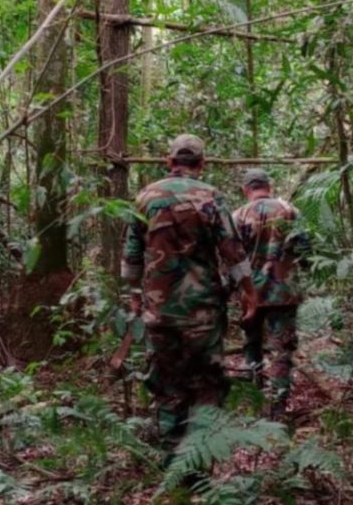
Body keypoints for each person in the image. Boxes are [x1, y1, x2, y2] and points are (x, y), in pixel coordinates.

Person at [121, 134, 258, 457]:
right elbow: (233, 250)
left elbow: (131, 254)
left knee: (168, 383)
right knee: (207, 383)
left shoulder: (145, 198)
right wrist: (249, 292)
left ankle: (172, 456)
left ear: (169, 162)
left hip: (160, 312)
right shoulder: (211, 197)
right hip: (203, 312)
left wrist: (134, 296)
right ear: (201, 164)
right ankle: (198, 461)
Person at [233, 168, 310, 418]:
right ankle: (278, 406)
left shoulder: (238, 215)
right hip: (283, 291)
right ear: (269, 186)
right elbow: (305, 249)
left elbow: (229, 254)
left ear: (247, 189)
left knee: (251, 342)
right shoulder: (290, 211)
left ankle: (253, 398)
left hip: (249, 291)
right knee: (281, 349)